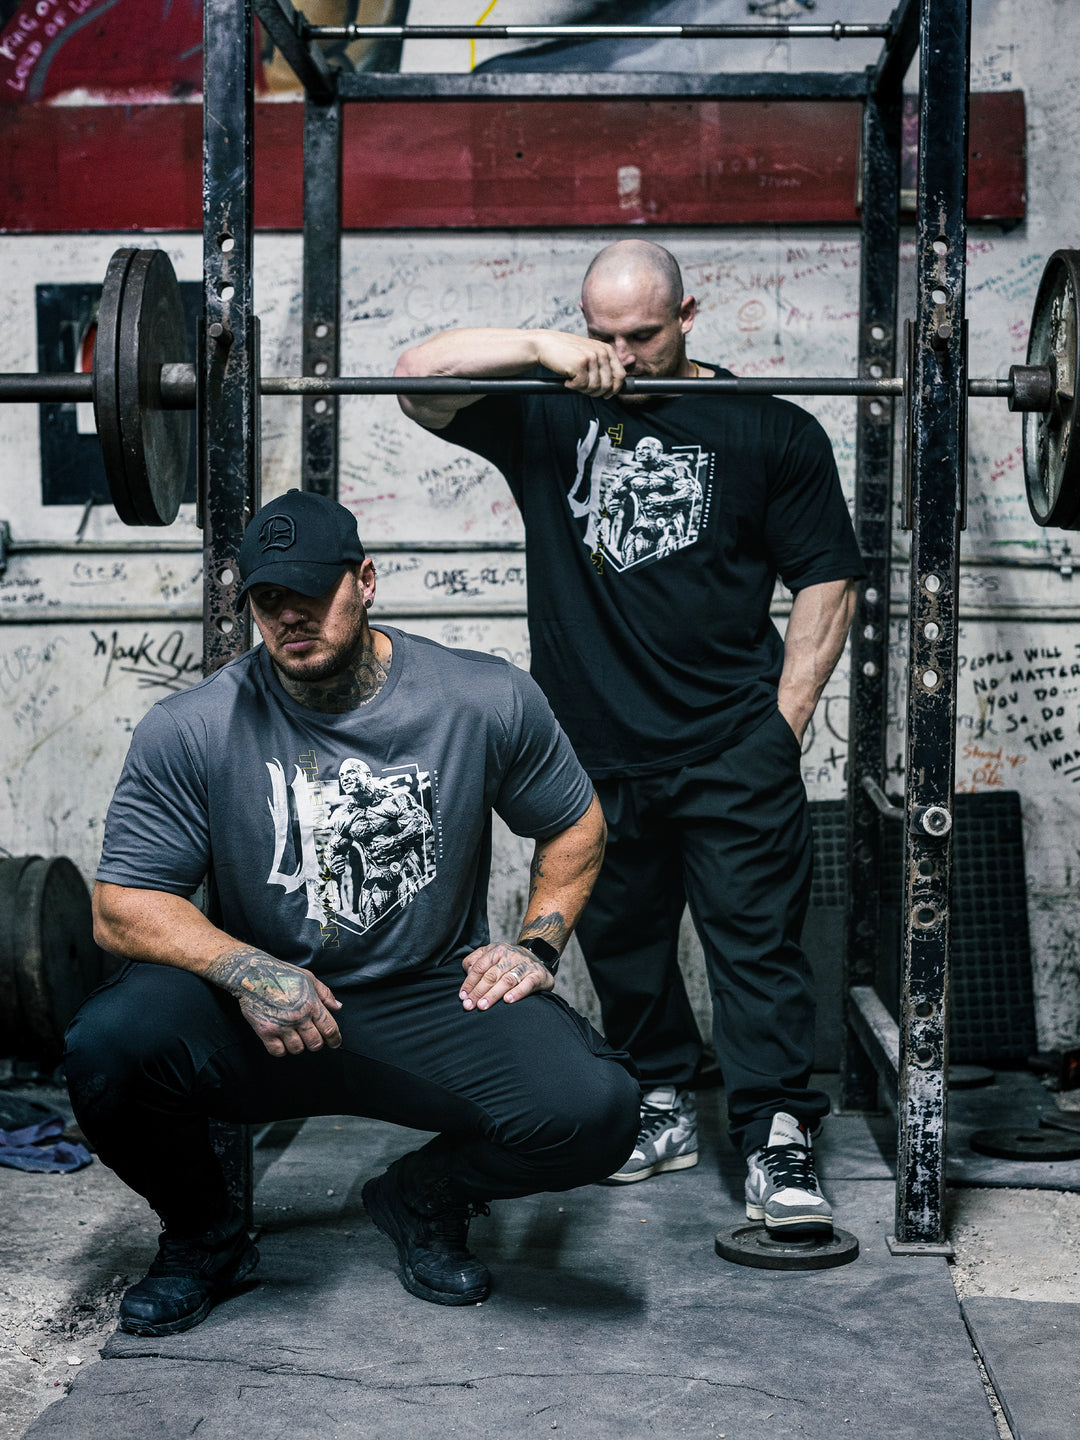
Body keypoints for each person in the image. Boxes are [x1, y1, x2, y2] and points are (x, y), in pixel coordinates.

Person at [64, 489, 638, 1336]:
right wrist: (248, 970)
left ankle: (422, 1196)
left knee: (597, 1109)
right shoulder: (193, 727)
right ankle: (205, 1239)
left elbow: (575, 824)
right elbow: (121, 907)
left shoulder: (478, 697)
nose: (291, 616)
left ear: (365, 581)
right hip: (258, 1005)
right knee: (105, 1047)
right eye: (268, 600)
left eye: (312, 592)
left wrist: (538, 944)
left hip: (427, 997)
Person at [394, 238, 864, 1238]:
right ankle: (659, 1098)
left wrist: (784, 724)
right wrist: (542, 348)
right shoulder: (548, 412)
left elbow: (830, 574)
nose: (623, 354)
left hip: (733, 742)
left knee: (756, 948)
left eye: (642, 335)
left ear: (688, 317)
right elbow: (413, 378)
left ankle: (775, 1130)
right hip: (594, 751)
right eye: (603, 332)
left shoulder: (768, 430)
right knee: (624, 943)